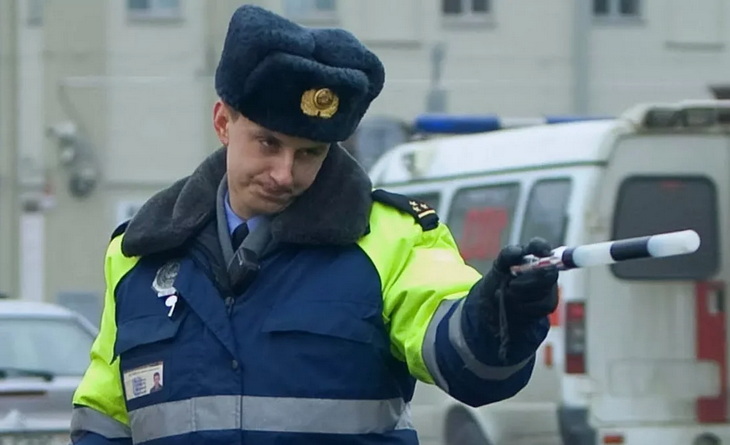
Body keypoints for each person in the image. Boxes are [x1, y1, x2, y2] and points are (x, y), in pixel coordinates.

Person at [69, 5, 558, 445]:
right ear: (222, 123)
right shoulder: (139, 255)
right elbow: (104, 420)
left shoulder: (392, 239)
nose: (285, 174)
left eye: (310, 153)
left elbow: (467, 364)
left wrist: (501, 315)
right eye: (268, 144)